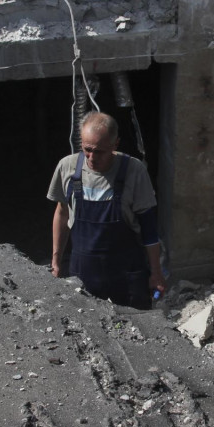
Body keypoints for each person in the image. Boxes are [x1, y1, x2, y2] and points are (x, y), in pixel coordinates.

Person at [47, 111, 167, 309]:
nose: (92, 157)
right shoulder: (67, 167)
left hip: (127, 273)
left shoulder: (134, 171)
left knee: (136, 323)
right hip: (83, 270)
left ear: (115, 145)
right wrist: (56, 262)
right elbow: (62, 214)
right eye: (87, 149)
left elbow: (149, 227)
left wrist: (156, 273)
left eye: (100, 151)